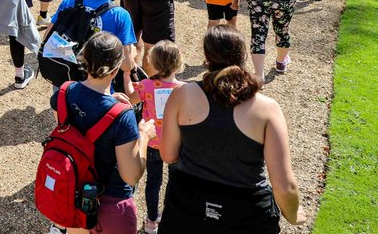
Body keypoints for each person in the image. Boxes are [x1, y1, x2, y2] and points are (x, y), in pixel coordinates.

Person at [158, 27, 301, 232]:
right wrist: (294, 216)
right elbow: (285, 187)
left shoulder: (181, 95)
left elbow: (168, 155)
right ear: (243, 57)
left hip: (188, 208)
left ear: (206, 57)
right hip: (246, 215)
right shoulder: (268, 109)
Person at [49, 32, 156, 234]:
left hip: (73, 196)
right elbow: (131, 176)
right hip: (110, 203)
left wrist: (107, 101)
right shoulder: (123, 116)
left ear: (84, 60)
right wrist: (144, 136)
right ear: (115, 70)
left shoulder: (64, 92)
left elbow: (71, 125)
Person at [43, 0, 140, 95]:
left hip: (65, 79)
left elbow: (47, 37)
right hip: (99, 90)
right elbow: (126, 65)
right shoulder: (120, 15)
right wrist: (133, 52)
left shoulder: (70, 1)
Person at [135, 40, 183, 234]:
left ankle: (151, 220)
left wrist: (127, 78)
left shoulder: (145, 85)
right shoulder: (184, 89)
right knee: (175, 181)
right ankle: (172, 216)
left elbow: (130, 99)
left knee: (153, 182)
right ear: (178, 63)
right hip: (175, 143)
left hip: (152, 142)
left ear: (153, 62)